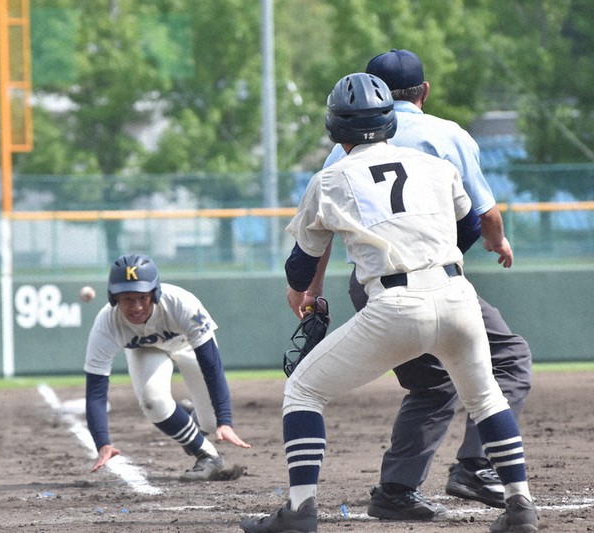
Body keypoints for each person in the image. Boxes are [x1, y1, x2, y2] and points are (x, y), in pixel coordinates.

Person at [239, 73, 538, 533]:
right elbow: (475, 224)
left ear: (335, 130)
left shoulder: (331, 177)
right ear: (389, 124)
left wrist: (311, 298)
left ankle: (299, 512)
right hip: (457, 294)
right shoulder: (435, 167)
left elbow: (300, 271)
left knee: (303, 390)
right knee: (485, 396)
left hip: (395, 304)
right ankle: (521, 508)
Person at [84, 253, 251, 481]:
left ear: (155, 293)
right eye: (127, 299)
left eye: (143, 297)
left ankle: (191, 419)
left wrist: (225, 421)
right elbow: (96, 391)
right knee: (152, 401)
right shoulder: (107, 324)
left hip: (187, 345)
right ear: (114, 299)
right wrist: (102, 442)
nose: (136, 307)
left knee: (211, 423)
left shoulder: (181, 304)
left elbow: (211, 365)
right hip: (145, 350)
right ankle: (208, 456)